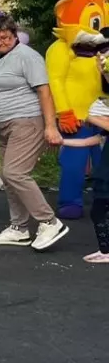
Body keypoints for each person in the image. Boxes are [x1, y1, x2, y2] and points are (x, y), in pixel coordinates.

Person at [0, 14, 68, 250]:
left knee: (15, 172)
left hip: (26, 122)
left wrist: (51, 126)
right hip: (3, 127)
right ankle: (19, 228)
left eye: (4, 37)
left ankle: (49, 221)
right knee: (7, 175)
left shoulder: (27, 57)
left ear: (14, 35)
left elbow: (44, 91)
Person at [82, 84, 109, 263]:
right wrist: (64, 142)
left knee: (99, 210)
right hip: (105, 173)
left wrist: (87, 112)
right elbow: (96, 139)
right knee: (98, 210)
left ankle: (106, 252)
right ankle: (105, 251)